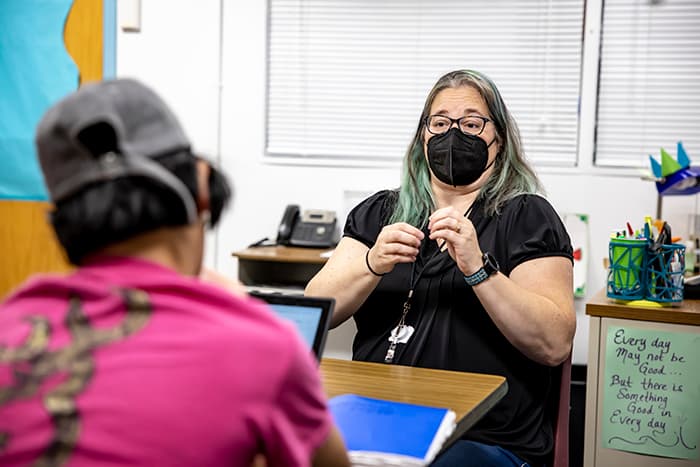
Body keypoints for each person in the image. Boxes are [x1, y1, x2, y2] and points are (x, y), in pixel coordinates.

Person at [0, 78, 350, 467]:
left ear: (61, 224)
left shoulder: (8, 326)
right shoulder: (262, 349)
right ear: (201, 186)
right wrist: (248, 314)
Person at [305, 69, 575, 467]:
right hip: (379, 418)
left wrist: (478, 268)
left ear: (498, 140)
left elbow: (553, 343)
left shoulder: (527, 217)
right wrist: (371, 263)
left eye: (471, 123)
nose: (454, 135)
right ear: (423, 137)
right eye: (440, 123)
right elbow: (316, 308)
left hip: (483, 434)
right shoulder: (381, 212)